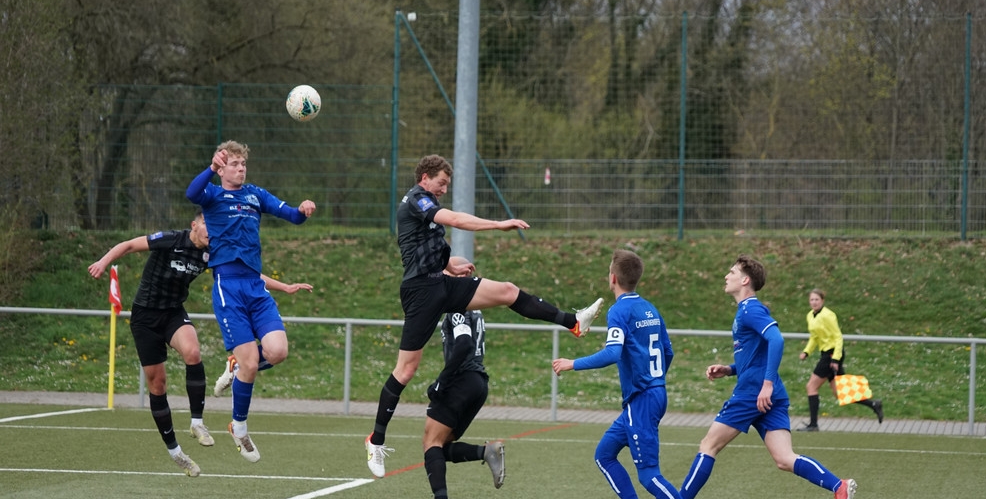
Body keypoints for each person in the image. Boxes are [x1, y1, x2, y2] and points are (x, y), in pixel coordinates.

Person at [365, 154, 603, 478]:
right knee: (406, 370)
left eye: (447, 185)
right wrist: (498, 224)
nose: (444, 189)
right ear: (425, 178)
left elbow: (428, 248)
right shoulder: (417, 199)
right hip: (420, 292)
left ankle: (573, 322)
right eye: (441, 183)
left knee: (507, 290)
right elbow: (455, 219)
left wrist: (451, 266)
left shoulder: (428, 206)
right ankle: (375, 440)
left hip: (441, 284)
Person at [88, 212, 313, 476]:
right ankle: (175, 451)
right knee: (158, 384)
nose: (212, 231)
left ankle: (197, 423)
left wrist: (284, 287)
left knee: (193, 352)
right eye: (208, 225)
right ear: (195, 225)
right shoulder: (171, 239)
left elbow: (247, 275)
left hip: (173, 313)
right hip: (145, 317)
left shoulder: (212, 252)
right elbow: (128, 245)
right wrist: (103, 262)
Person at [650, 255, 857, 499]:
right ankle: (839, 486)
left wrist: (766, 384)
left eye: (732, 271)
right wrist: (730, 369)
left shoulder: (750, 309)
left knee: (709, 445)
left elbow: (776, 339)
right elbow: (757, 355)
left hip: (753, 393)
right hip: (767, 393)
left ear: (745, 280)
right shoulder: (746, 311)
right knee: (785, 459)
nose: (726, 276)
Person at [552, 250, 715, 499]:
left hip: (642, 399)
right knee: (604, 455)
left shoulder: (619, 311)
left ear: (612, 278)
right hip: (650, 395)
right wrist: (654, 380)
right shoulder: (649, 307)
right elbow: (668, 351)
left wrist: (572, 363)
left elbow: (612, 353)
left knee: (649, 474)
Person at [186, 140, 316, 463]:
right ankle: (239, 427)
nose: (241, 169)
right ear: (222, 168)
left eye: (243, 164)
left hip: (255, 287)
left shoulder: (255, 195)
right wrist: (211, 168)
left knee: (278, 351)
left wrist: (302, 210)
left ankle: (237, 366)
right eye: (234, 164)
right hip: (228, 287)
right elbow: (192, 192)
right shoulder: (212, 194)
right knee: (252, 365)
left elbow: (291, 215)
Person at [412, 258, 505, 499]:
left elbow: (463, 344)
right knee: (440, 446)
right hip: (478, 382)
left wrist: (442, 380)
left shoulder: (458, 305)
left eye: (443, 274)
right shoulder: (474, 307)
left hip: (461, 379)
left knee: (430, 441)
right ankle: (486, 452)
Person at [797, 288, 883, 431]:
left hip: (832, 355)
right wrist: (807, 352)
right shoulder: (810, 316)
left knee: (811, 387)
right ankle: (874, 404)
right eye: (811, 300)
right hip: (825, 354)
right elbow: (814, 337)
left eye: (817, 299)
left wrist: (836, 359)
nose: (814, 302)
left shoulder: (828, 315)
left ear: (822, 301)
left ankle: (813, 424)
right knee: (840, 392)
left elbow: (838, 337)